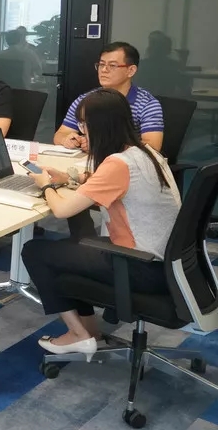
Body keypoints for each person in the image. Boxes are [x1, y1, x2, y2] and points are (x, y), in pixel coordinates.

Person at [21, 89, 180, 359]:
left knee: (36, 252)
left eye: (83, 125)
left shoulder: (118, 164)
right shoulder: (146, 153)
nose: (81, 131)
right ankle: (90, 333)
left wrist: (46, 184)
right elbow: (113, 183)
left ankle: (78, 334)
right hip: (169, 264)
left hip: (140, 265)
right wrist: (71, 178)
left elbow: (61, 210)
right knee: (73, 249)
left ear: (100, 126)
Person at [54, 41, 164, 153]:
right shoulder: (86, 100)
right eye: (101, 64)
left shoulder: (147, 104)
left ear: (131, 71)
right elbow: (60, 134)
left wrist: (102, 145)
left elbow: (153, 147)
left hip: (126, 162)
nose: (104, 70)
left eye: (112, 65)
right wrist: (68, 140)